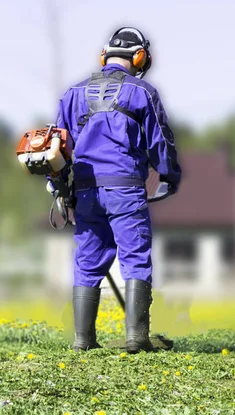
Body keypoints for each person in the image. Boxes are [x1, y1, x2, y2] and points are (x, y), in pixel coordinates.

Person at [49, 26, 182, 353]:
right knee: (135, 258)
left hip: (85, 191)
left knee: (87, 262)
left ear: (104, 56)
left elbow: (57, 147)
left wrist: (59, 191)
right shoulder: (143, 93)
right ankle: (137, 338)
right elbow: (160, 144)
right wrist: (169, 177)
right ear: (139, 57)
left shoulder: (73, 93)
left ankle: (83, 340)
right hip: (125, 189)